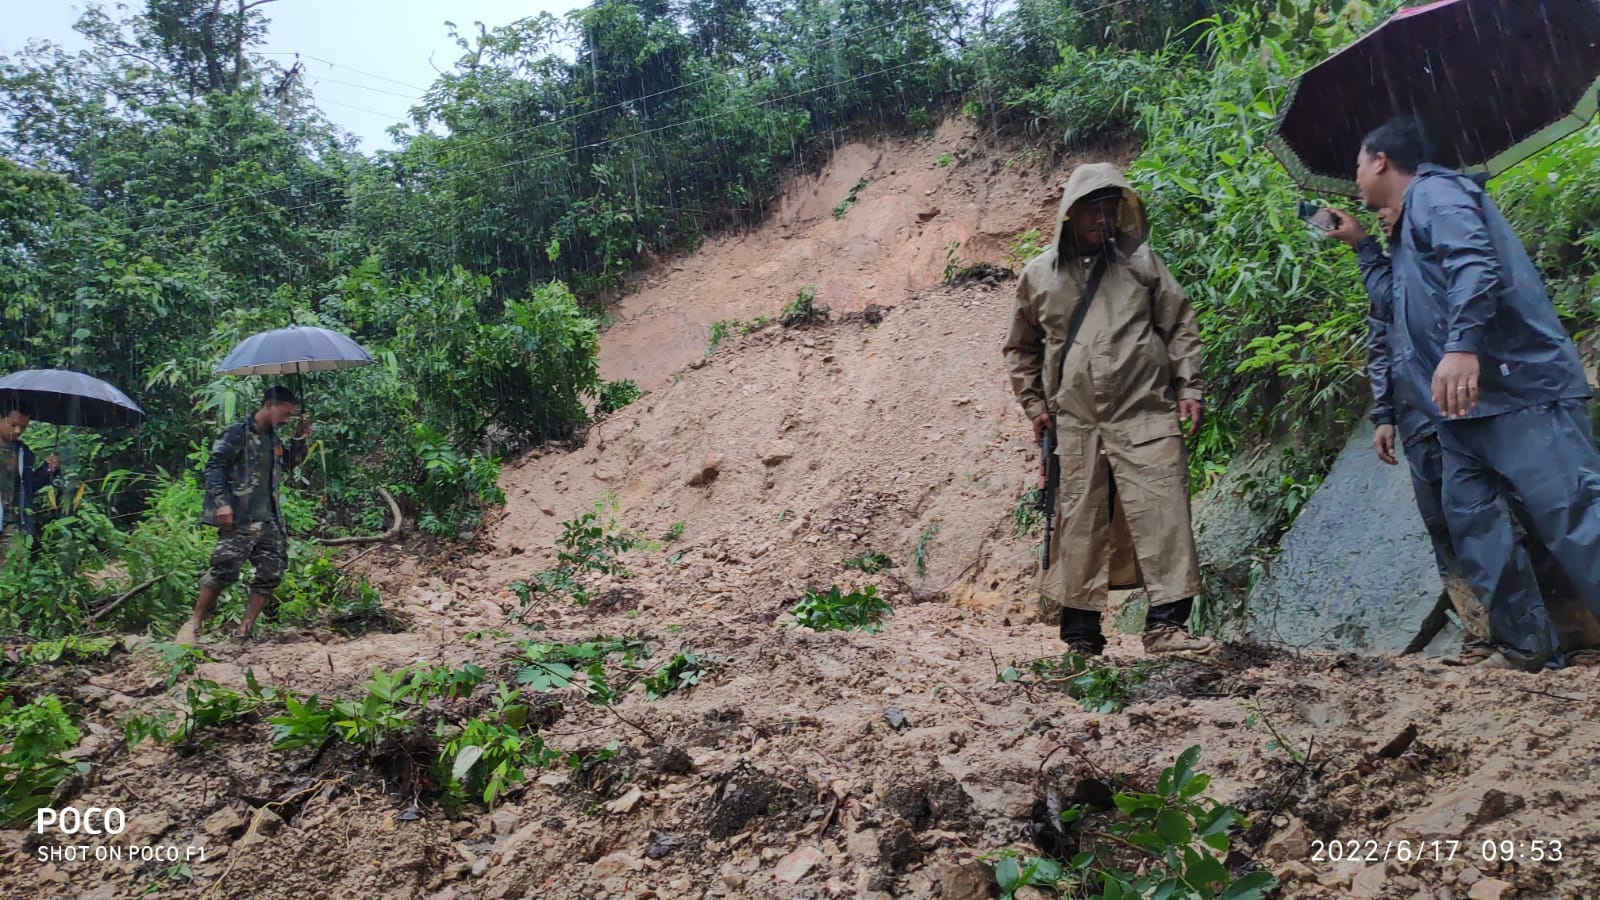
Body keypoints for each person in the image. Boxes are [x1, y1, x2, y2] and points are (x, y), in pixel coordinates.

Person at [1351, 116, 1600, 671]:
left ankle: (1563, 638)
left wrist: (1462, 345)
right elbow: (1396, 317)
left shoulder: (1439, 194)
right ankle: (1524, 649)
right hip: (1458, 414)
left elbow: (1475, 265)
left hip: (1519, 391)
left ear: (1381, 161)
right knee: (1477, 532)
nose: (1357, 177)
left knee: (1577, 517)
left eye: (1358, 165)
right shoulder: (1409, 228)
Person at [1003, 161, 1213, 655]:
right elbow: (1020, 348)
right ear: (1070, 214)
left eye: (1111, 208)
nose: (1102, 219)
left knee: (1165, 513)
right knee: (1081, 523)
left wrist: (1190, 387)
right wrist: (1034, 404)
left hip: (1147, 413)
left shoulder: (1144, 265)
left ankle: (1167, 627)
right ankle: (1081, 637)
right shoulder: (1039, 276)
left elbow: (1179, 324)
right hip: (1077, 423)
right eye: (1092, 209)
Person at [178, 386, 310, 644]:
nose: (286, 419)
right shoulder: (237, 432)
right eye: (285, 413)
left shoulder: (273, 438)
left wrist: (300, 438)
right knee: (223, 569)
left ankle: (244, 631)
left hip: (269, 517)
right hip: (240, 515)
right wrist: (221, 504)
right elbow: (215, 466)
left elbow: (288, 464)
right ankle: (193, 624)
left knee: (271, 572)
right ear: (270, 405)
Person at [0, 400, 63, 548]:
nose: (17, 431)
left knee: (15, 566)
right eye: (13, 425)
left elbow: (28, 486)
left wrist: (48, 469)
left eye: (23, 427)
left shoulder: (23, 452)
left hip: (13, 522)